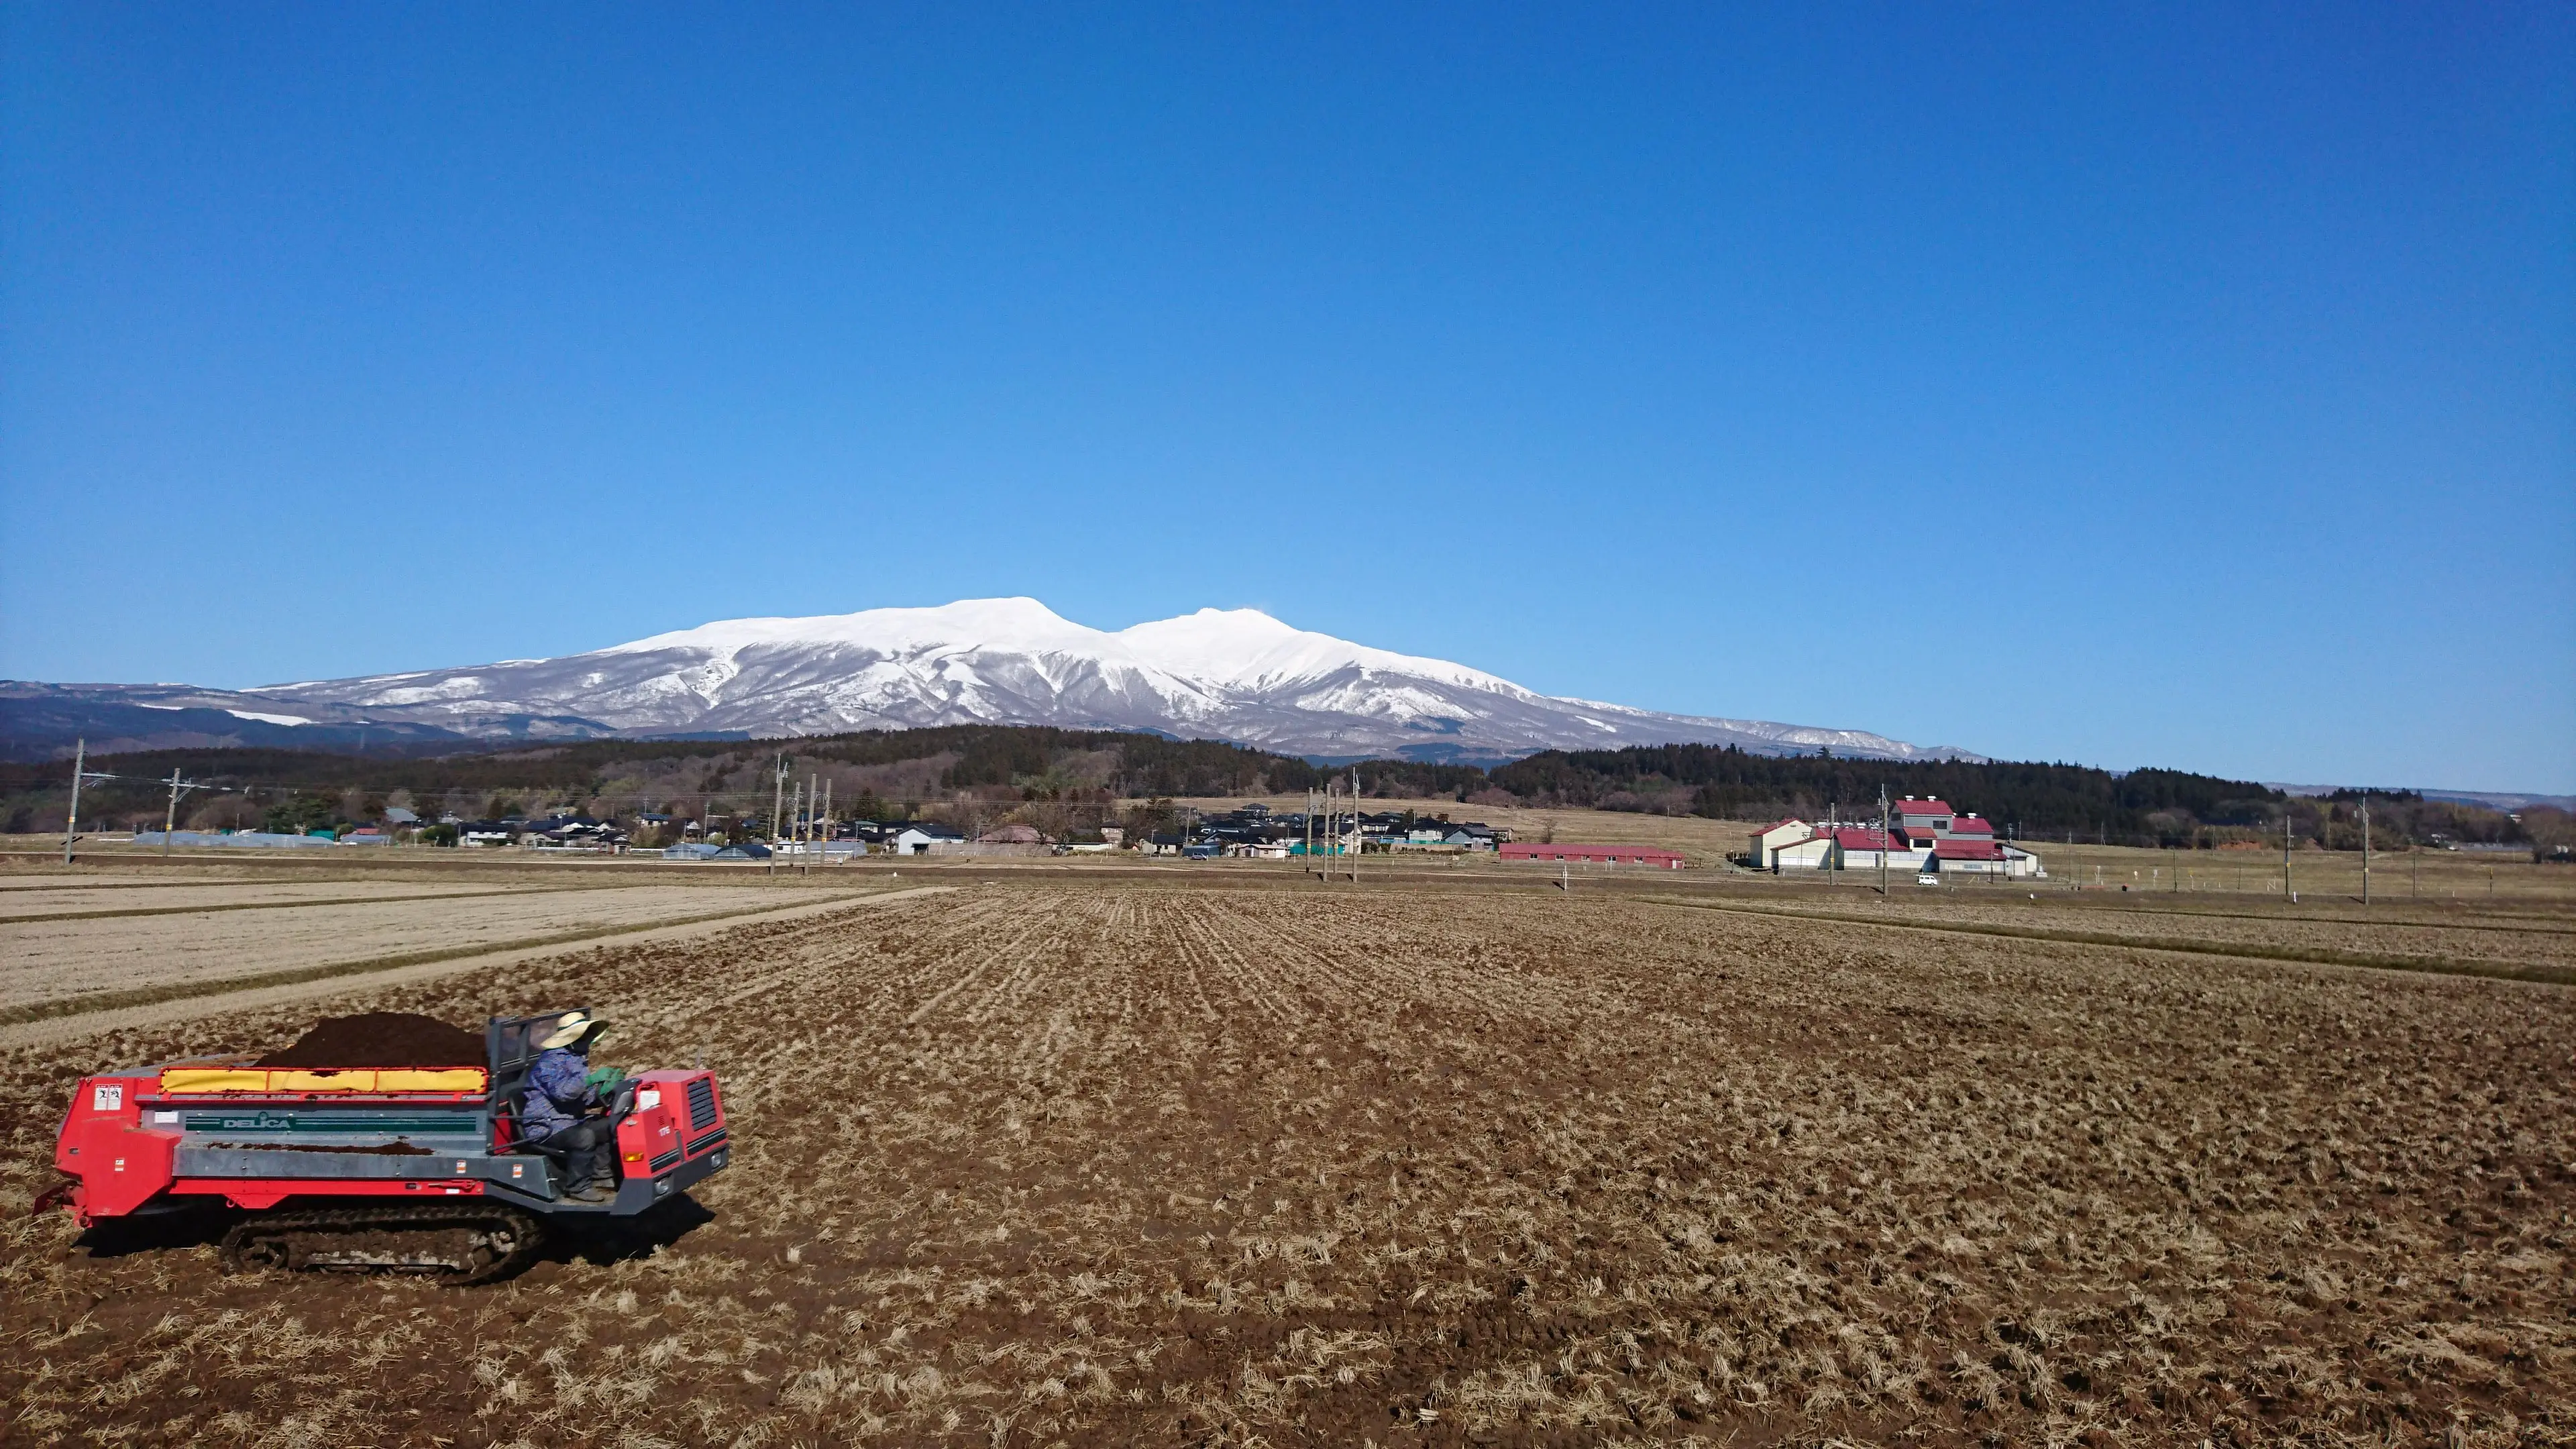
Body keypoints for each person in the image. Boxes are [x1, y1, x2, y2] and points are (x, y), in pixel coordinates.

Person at [519, 1010, 618, 1201]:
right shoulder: (549, 1063)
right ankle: (578, 1187)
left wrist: (604, 1089)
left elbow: (584, 1099)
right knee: (584, 1136)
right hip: (547, 1125)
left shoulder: (576, 1060)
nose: (589, 1040)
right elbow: (563, 1093)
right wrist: (591, 1079)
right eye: (585, 1036)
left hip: (570, 1120)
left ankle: (601, 1176)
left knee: (608, 1126)